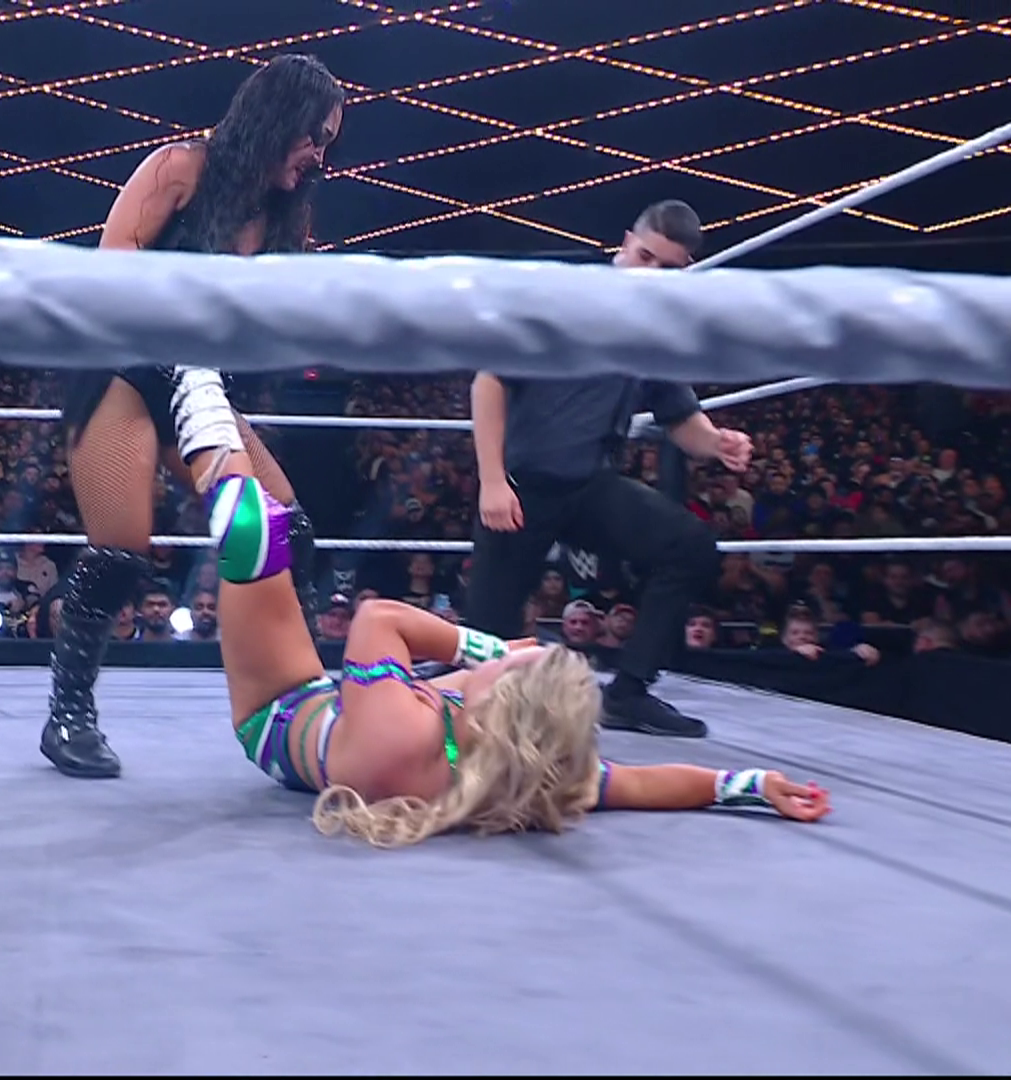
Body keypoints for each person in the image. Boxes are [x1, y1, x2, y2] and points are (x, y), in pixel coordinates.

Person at [165, 372, 830, 847]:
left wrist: (485, 647)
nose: (516, 651)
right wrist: (747, 784)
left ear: (508, 703)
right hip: (377, 718)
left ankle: (190, 381)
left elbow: (377, 619)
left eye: (516, 668)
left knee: (255, 531)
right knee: (292, 528)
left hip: (282, 708)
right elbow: (643, 783)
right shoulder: (531, 773)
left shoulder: (401, 736)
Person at [42, 52, 346, 781]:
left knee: (287, 529)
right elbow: (110, 271)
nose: (319, 154)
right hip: (125, 370)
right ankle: (68, 713)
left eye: (329, 143)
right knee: (122, 550)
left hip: (200, 388)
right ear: (278, 118)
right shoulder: (179, 168)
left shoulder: (285, 216)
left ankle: (302, 705)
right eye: (315, 136)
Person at [467, 200, 752, 739]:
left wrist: (718, 443)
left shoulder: (655, 335)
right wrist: (492, 481)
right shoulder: (563, 300)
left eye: (667, 267)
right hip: (523, 487)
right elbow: (490, 380)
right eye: (644, 257)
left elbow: (680, 419)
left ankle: (629, 692)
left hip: (589, 487)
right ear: (624, 244)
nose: (650, 273)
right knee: (486, 645)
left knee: (689, 545)